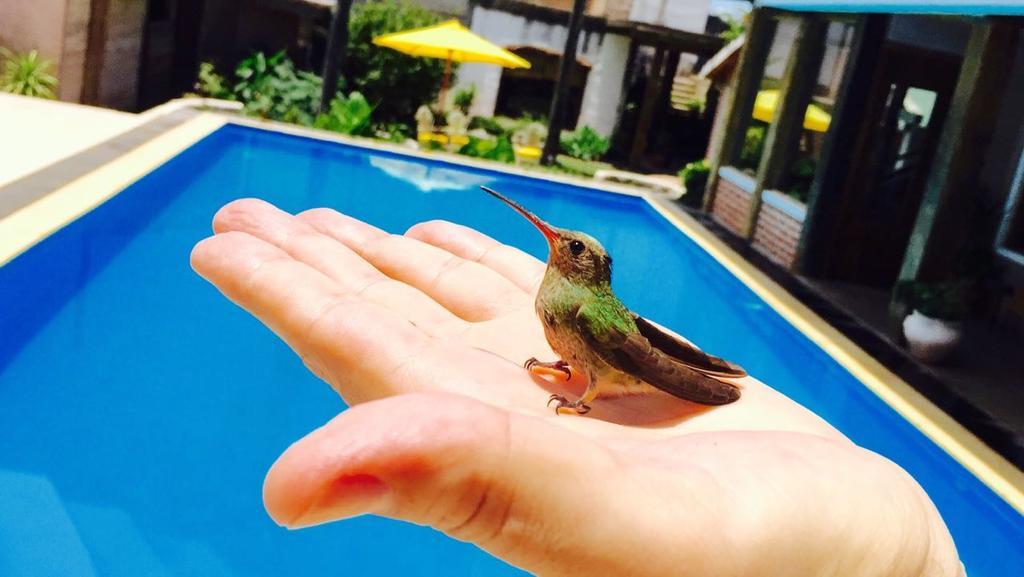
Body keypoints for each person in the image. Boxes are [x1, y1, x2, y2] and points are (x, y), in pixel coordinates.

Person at [191, 198, 962, 576]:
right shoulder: (556, 295)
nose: (556, 242)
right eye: (560, 242)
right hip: (600, 351)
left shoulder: (576, 306)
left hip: (619, 367)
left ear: (583, 266)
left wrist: (587, 388)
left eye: (568, 245)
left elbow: (625, 351)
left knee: (642, 365)